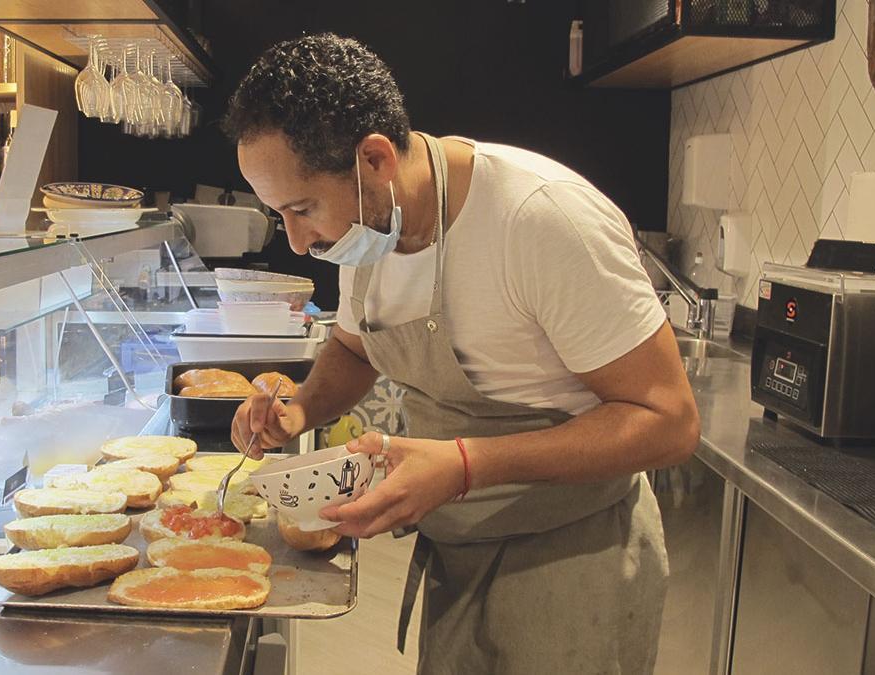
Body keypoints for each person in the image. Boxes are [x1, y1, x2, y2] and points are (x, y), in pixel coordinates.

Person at [223, 33, 699, 674]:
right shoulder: (369, 228)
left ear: (375, 160)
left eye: (303, 210)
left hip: (574, 558)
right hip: (460, 556)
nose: (300, 242)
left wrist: (465, 466)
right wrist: (300, 408)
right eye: (279, 215)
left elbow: (670, 420)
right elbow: (353, 347)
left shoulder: (539, 220)